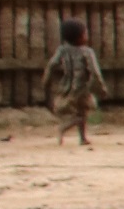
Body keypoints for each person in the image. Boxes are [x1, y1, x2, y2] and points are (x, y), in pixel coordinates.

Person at [42, 16, 102, 147]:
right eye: (85, 33)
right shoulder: (87, 51)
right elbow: (94, 71)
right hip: (83, 87)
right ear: (80, 37)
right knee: (84, 112)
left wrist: (46, 81)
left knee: (80, 111)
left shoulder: (62, 50)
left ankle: (82, 137)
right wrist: (101, 87)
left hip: (67, 86)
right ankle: (64, 127)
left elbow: (52, 65)